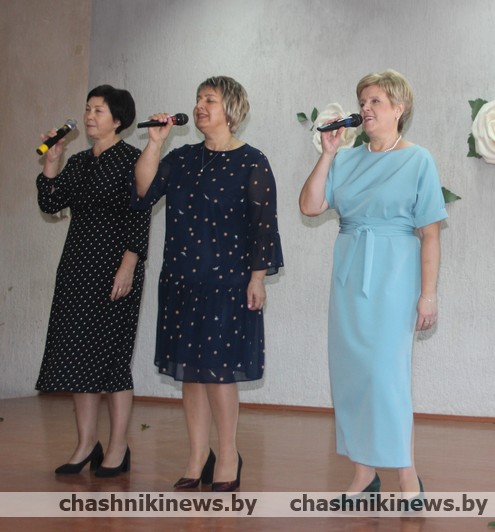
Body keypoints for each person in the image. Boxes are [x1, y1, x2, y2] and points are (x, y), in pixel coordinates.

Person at [299, 69, 447, 497]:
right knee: (352, 375)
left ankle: (406, 475)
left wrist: (428, 295)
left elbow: (430, 235)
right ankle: (364, 474)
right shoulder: (346, 158)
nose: (365, 108)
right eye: (362, 101)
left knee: (387, 377)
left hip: (395, 276)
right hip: (349, 275)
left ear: (399, 108)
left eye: (375, 101)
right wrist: (328, 153)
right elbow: (310, 206)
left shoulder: (418, 160)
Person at [133, 76, 283, 492]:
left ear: (231, 110)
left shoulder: (252, 161)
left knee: (218, 373)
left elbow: (264, 228)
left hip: (228, 283)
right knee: (190, 373)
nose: (200, 106)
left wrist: (257, 279)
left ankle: (229, 454)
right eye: (198, 99)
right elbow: (143, 192)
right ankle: (198, 456)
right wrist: (154, 143)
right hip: (181, 280)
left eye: (210, 100)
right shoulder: (181, 158)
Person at [35, 85, 150, 478]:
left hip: (115, 269)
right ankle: (86, 444)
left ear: (117, 120)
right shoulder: (80, 161)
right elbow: (51, 202)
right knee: (77, 358)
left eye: (98, 110)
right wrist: (51, 163)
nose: (88, 116)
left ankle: (118, 447)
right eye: (87, 109)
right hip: (77, 268)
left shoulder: (132, 160)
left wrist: (129, 265)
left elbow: (140, 214)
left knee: (112, 361)